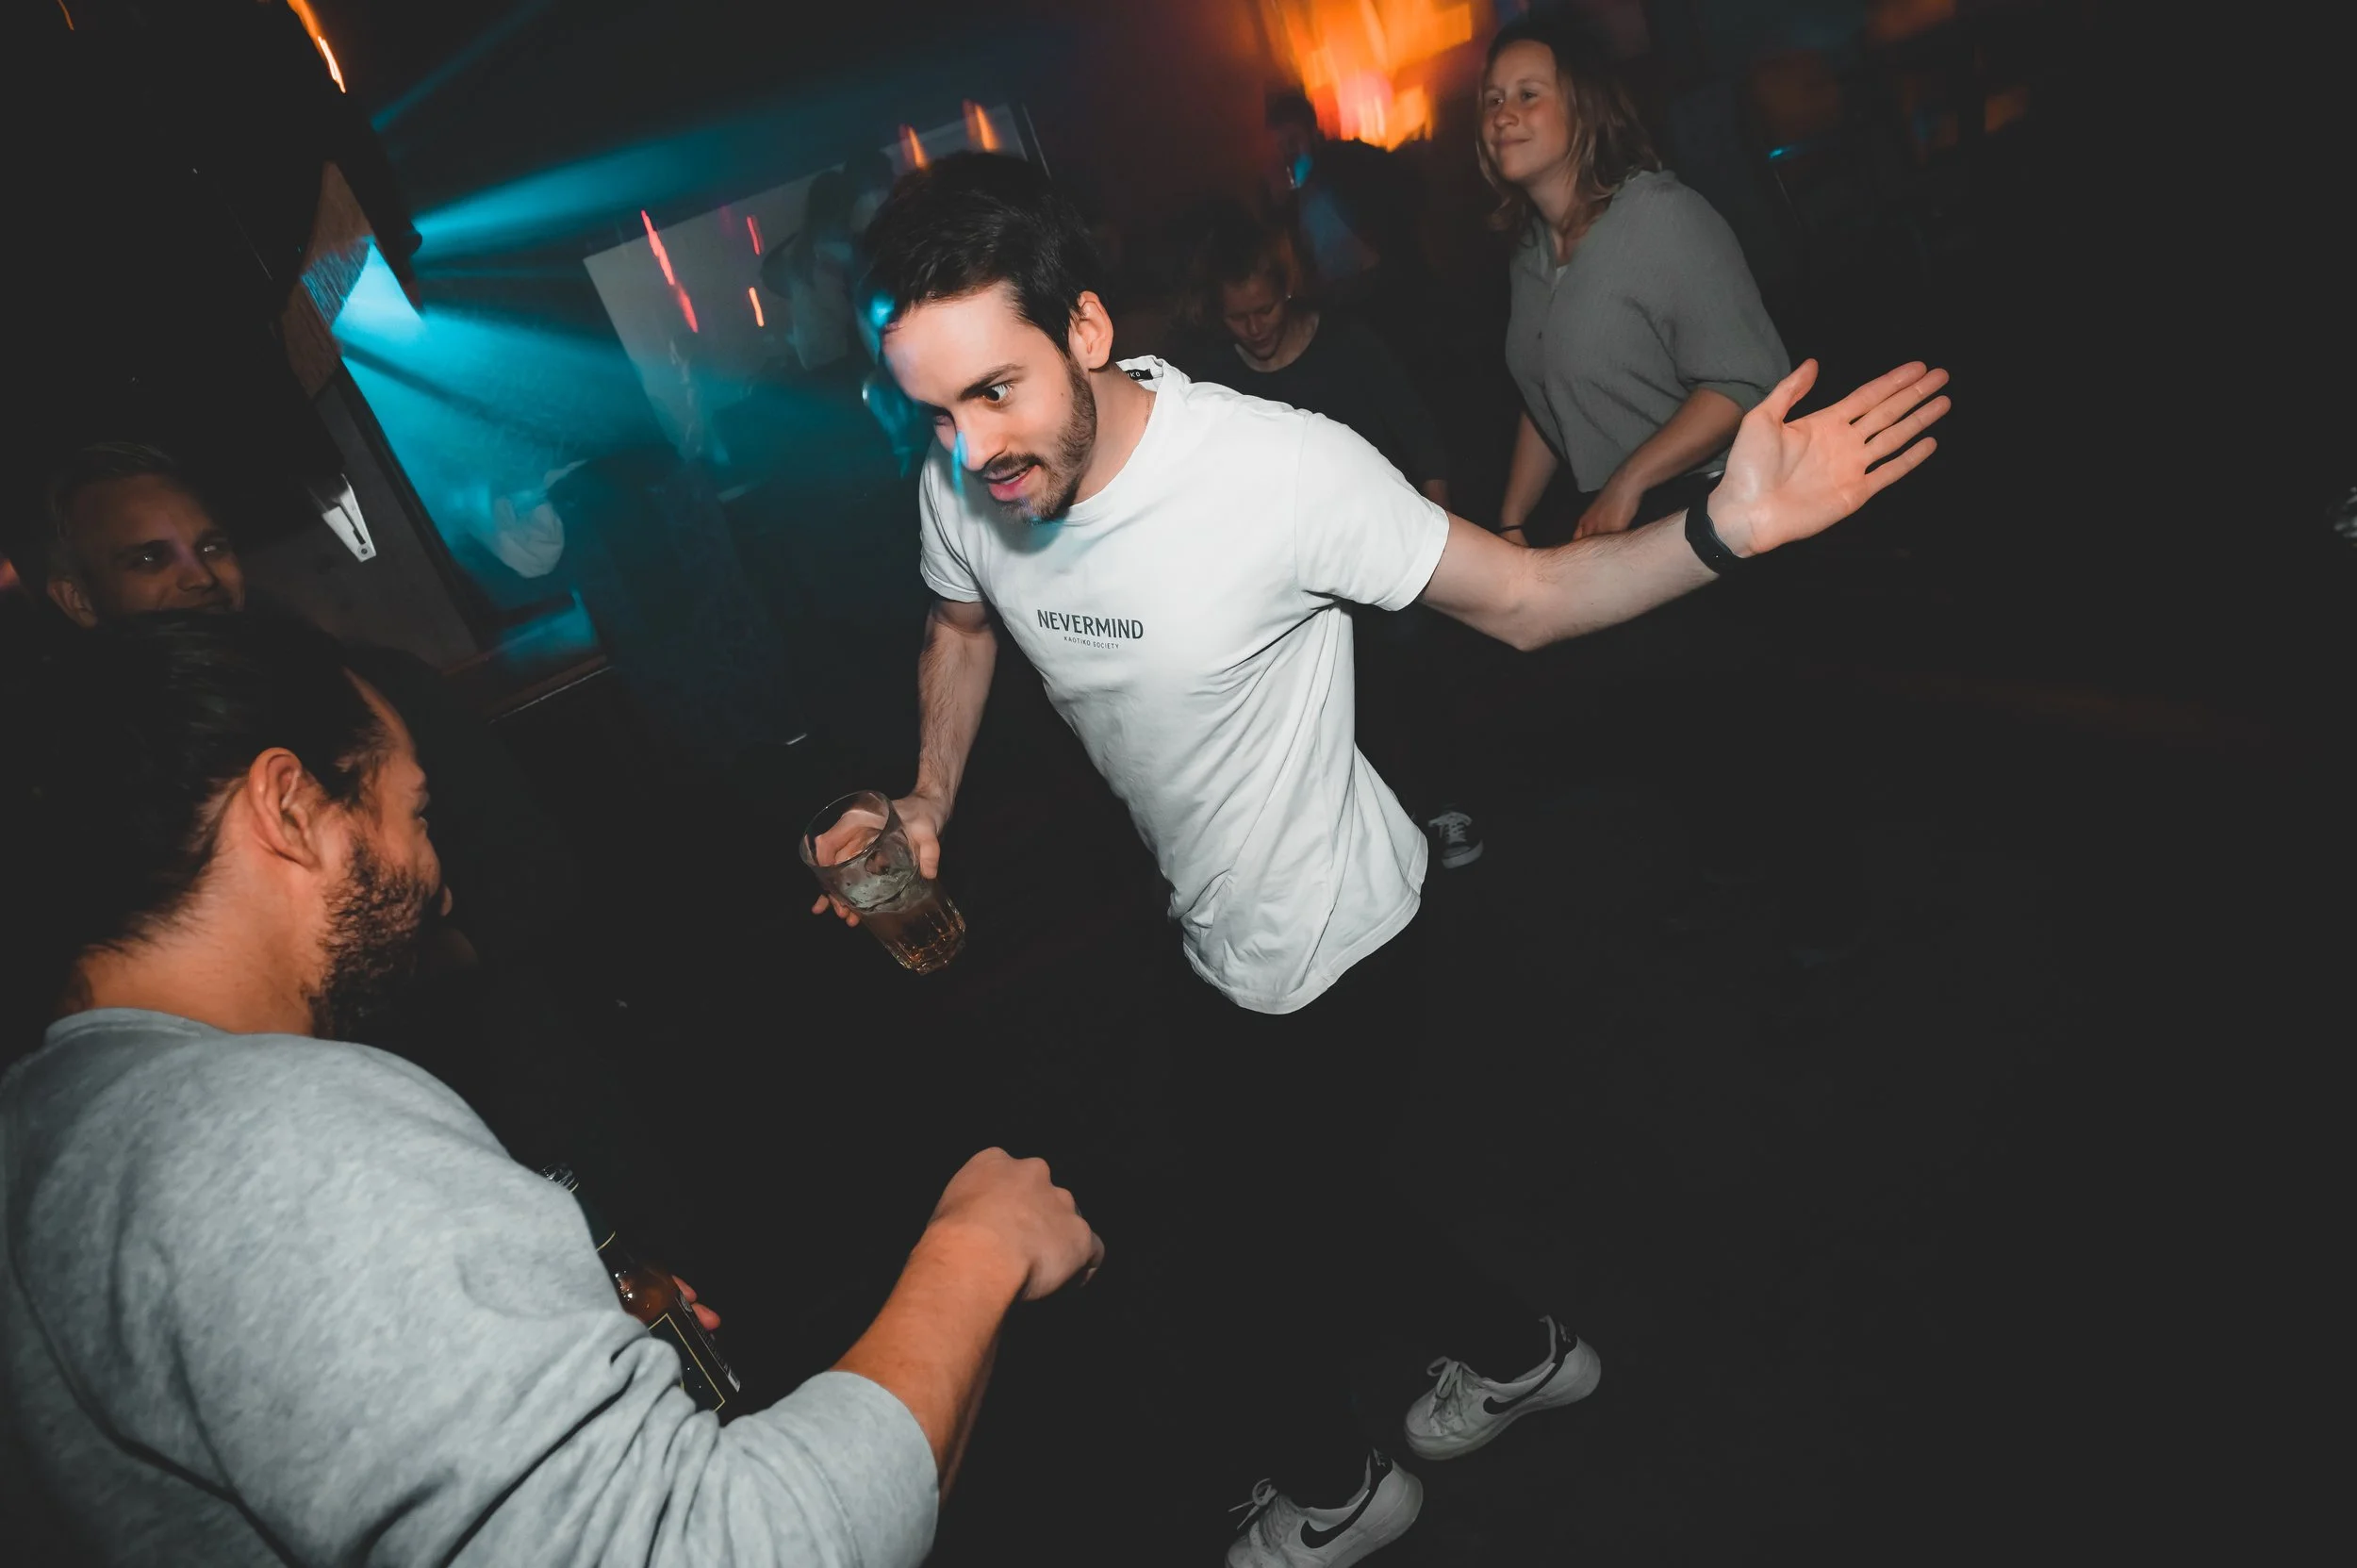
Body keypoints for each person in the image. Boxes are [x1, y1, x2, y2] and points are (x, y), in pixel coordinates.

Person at [822, 153, 1947, 1565]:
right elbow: (961, 621)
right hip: (1206, 920)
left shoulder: (1276, 473)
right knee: (1322, 1198)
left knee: (1245, 1247)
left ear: (1087, 329)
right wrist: (928, 791)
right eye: (935, 412)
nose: (972, 448)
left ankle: (1339, 1487)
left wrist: (1724, 528)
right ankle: (1524, 1354)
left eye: (998, 391)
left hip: (1337, 937)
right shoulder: (964, 479)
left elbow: (1525, 597)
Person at [0, 610, 1103, 1565]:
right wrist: (975, 1248)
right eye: (414, 814)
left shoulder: (46, 1121)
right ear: (291, 807)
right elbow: (719, 1546)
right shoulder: (279, 1142)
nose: (438, 883)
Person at [1177, 206, 1484, 870]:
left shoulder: (1348, 345)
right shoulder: (1214, 382)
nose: (1255, 328)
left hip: (1381, 558)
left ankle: (1449, 808)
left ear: (1286, 289)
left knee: (1416, 688)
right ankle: (1375, 841)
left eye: (1265, 309)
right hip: (1289, 581)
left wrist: (1436, 543)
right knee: (1336, 716)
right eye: (1238, 316)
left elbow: (1421, 437)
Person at [1479, 15, 1791, 546]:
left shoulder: (1663, 216)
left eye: (1527, 95)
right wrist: (1511, 521)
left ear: (1584, 106)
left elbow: (1745, 382)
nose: (1503, 115)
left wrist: (1630, 479)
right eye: (1492, 100)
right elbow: (1549, 389)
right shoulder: (1530, 252)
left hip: (1720, 505)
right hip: (1615, 518)